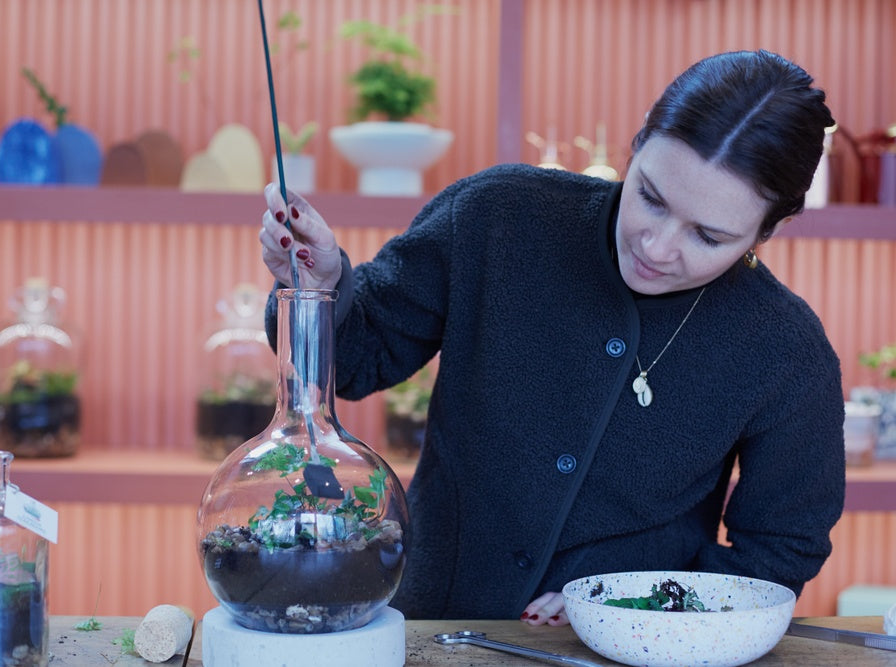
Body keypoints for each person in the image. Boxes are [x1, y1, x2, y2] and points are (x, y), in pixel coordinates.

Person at [258, 49, 845, 624]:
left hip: (629, 654)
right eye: (650, 197)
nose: (657, 247)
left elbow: (780, 550)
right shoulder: (499, 216)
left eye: (709, 237)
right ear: (636, 145)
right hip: (430, 629)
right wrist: (322, 288)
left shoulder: (786, 352)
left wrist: (639, 603)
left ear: (770, 229)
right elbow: (359, 360)